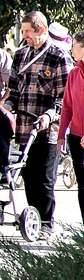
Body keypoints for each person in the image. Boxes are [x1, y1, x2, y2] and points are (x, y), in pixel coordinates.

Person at [2, 11, 72, 239]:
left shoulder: (58, 56)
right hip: (23, 129)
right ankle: (34, 220)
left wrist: (49, 116)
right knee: (29, 177)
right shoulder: (21, 55)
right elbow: (13, 89)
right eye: (23, 32)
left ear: (41, 30)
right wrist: (6, 107)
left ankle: (46, 223)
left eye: (28, 32)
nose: (25, 36)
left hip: (47, 130)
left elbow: (65, 98)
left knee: (44, 179)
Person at [59, 30, 84, 223]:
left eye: (74, 45)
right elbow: (67, 106)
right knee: (82, 187)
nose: (71, 49)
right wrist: (61, 136)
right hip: (76, 138)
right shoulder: (74, 73)